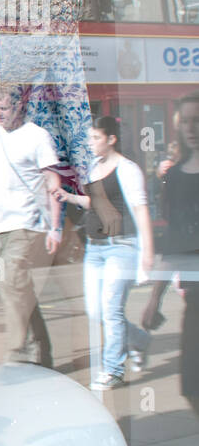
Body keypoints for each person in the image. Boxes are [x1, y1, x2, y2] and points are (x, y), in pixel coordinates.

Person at [53, 116, 154, 389]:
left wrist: (147, 253)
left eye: (96, 137)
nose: (91, 143)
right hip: (95, 250)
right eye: (89, 138)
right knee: (96, 312)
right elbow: (94, 203)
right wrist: (70, 197)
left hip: (121, 247)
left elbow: (140, 210)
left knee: (111, 310)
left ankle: (113, 370)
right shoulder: (94, 168)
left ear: (111, 139)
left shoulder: (128, 169)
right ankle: (140, 341)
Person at [0, 84, 64, 367]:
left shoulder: (38, 137)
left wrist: (57, 227)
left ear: (19, 107)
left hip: (28, 223)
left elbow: (53, 183)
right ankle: (43, 350)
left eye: (5, 108)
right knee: (18, 289)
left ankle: (18, 352)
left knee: (11, 284)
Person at [142, 90, 199, 416]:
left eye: (198, 121)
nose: (191, 128)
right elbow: (174, 242)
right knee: (191, 384)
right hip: (196, 297)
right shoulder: (174, 178)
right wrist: (154, 299)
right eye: (186, 121)